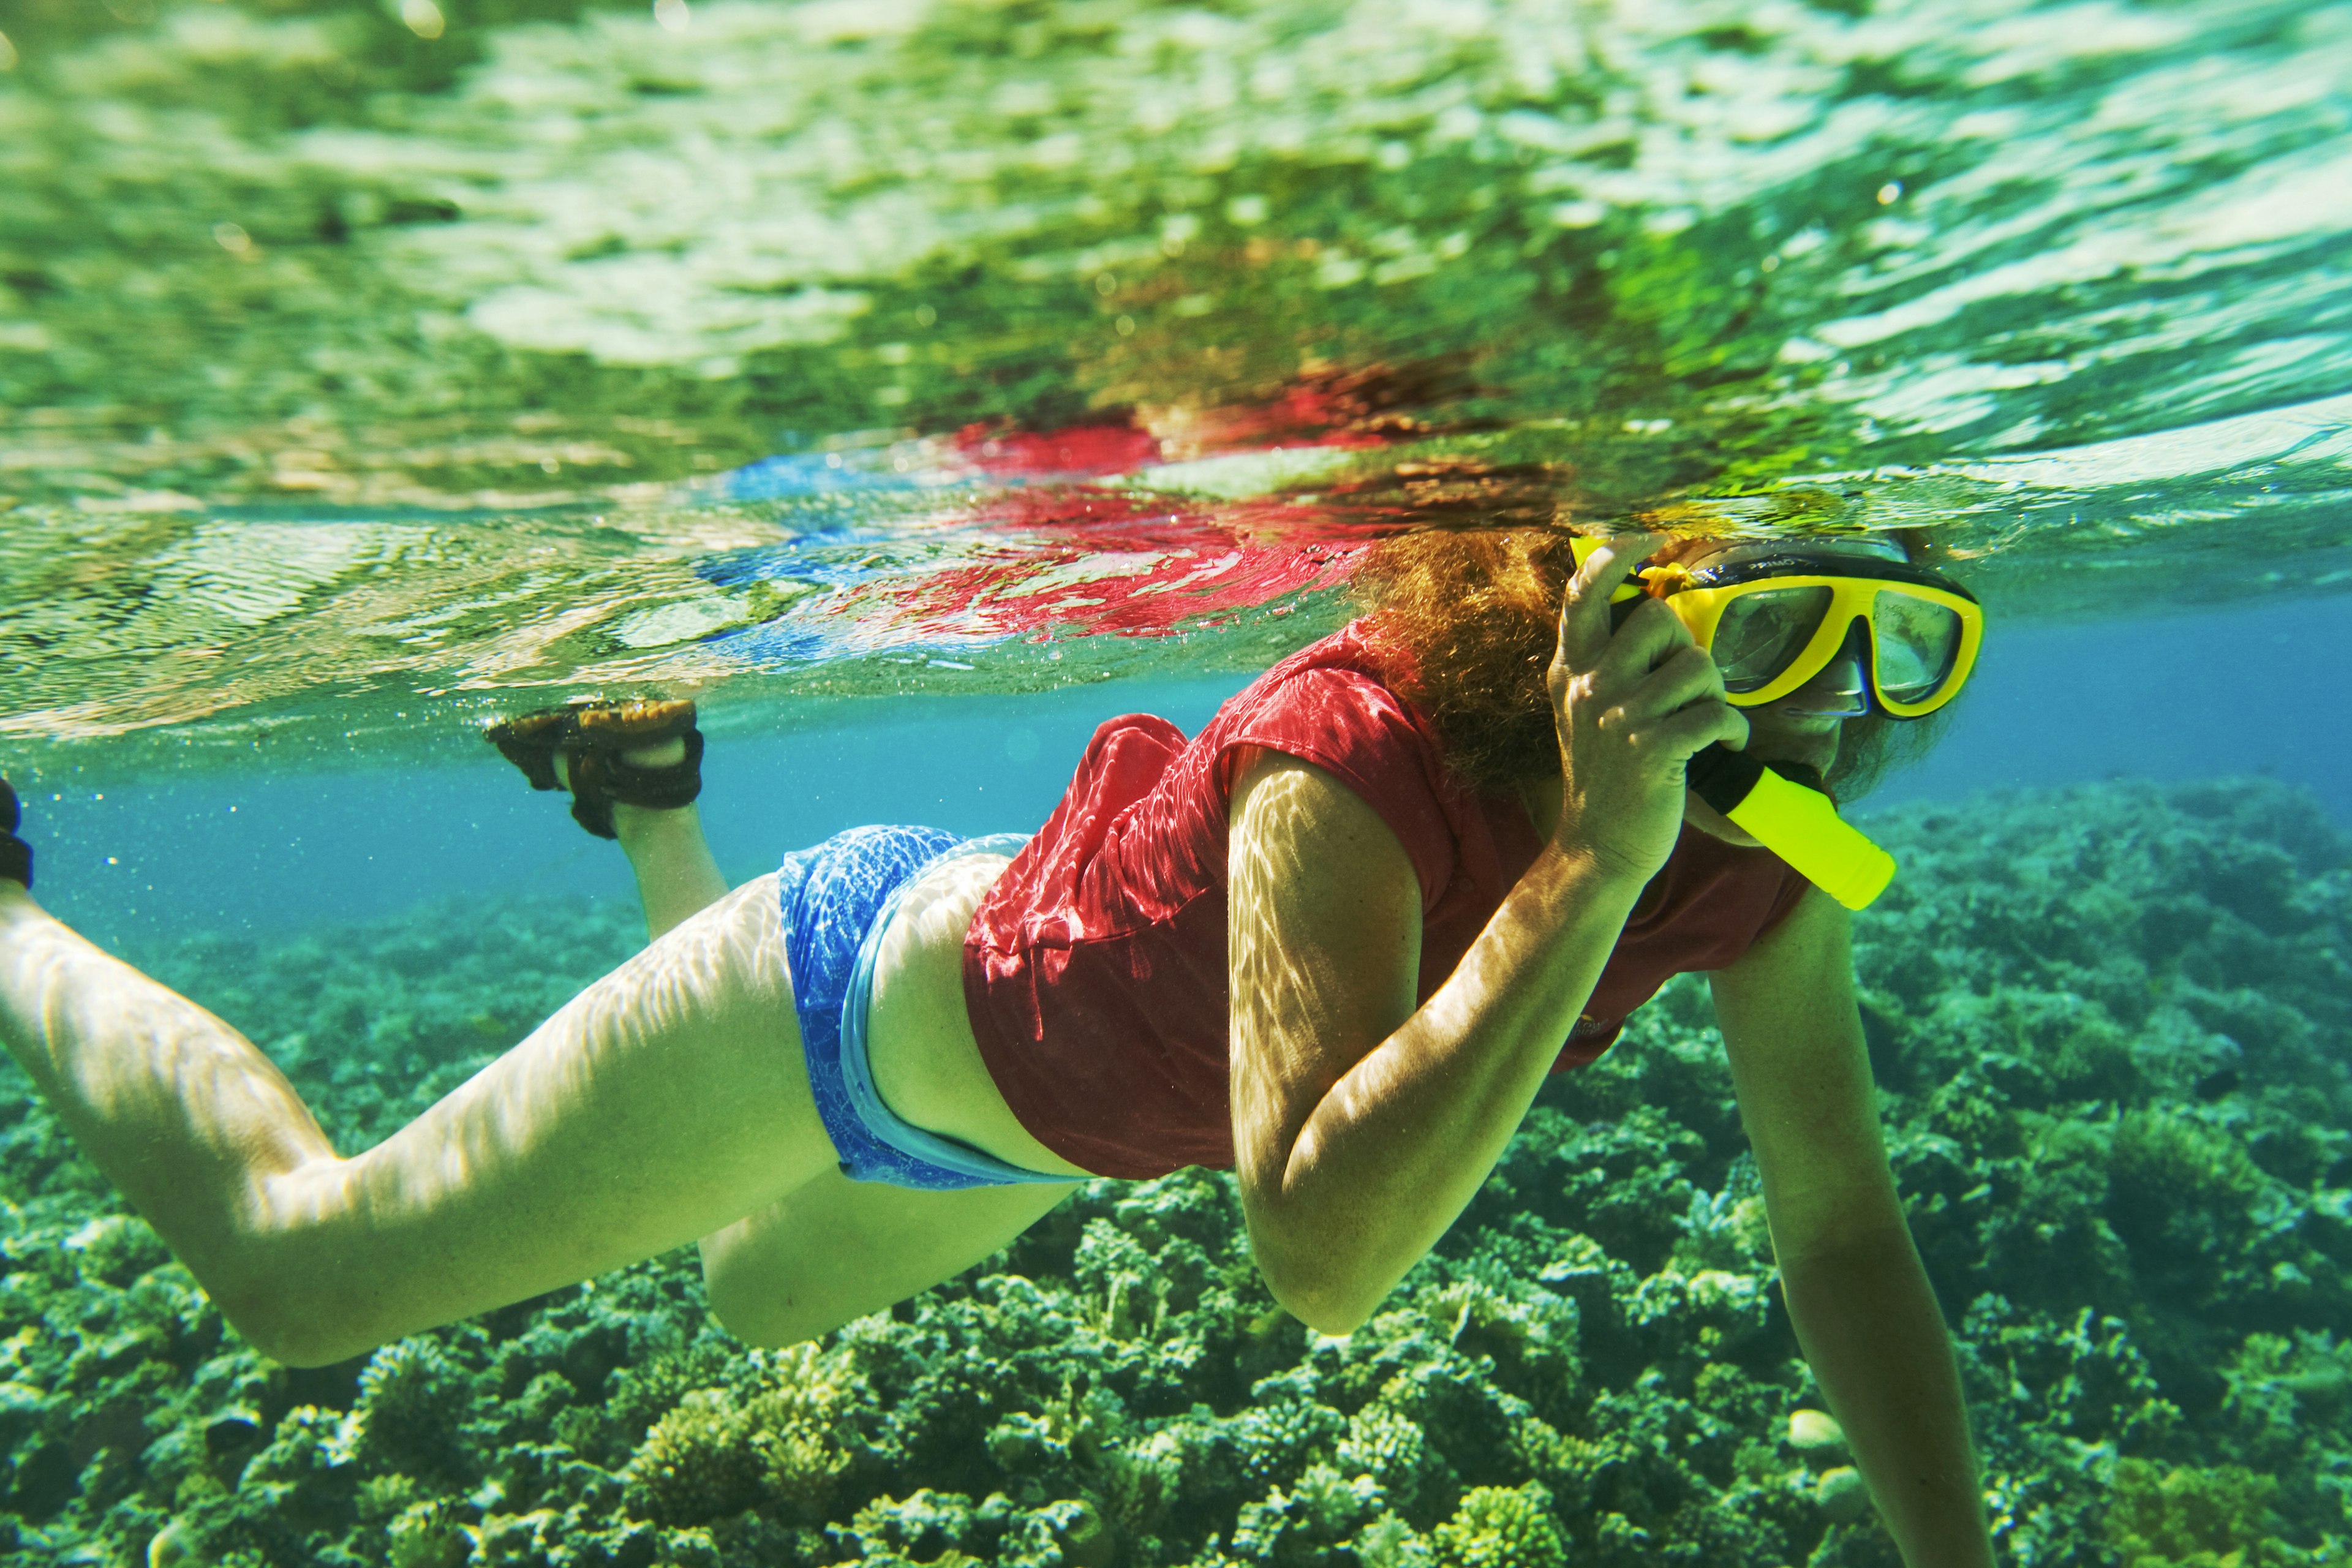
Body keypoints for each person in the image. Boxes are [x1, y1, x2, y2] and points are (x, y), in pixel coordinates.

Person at [0, 527, 1995, 1567]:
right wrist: (1593, 847)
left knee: (748, 1305)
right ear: (1602, 626)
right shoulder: (1356, 745)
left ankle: (643, 786)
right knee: (300, 1288)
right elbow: (1314, 1257)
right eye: (1767, 635)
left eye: (1895, 649)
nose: (1822, 717)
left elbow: (1838, 1230)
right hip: (839, 995)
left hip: (1020, 1145)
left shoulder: (1761, 870)